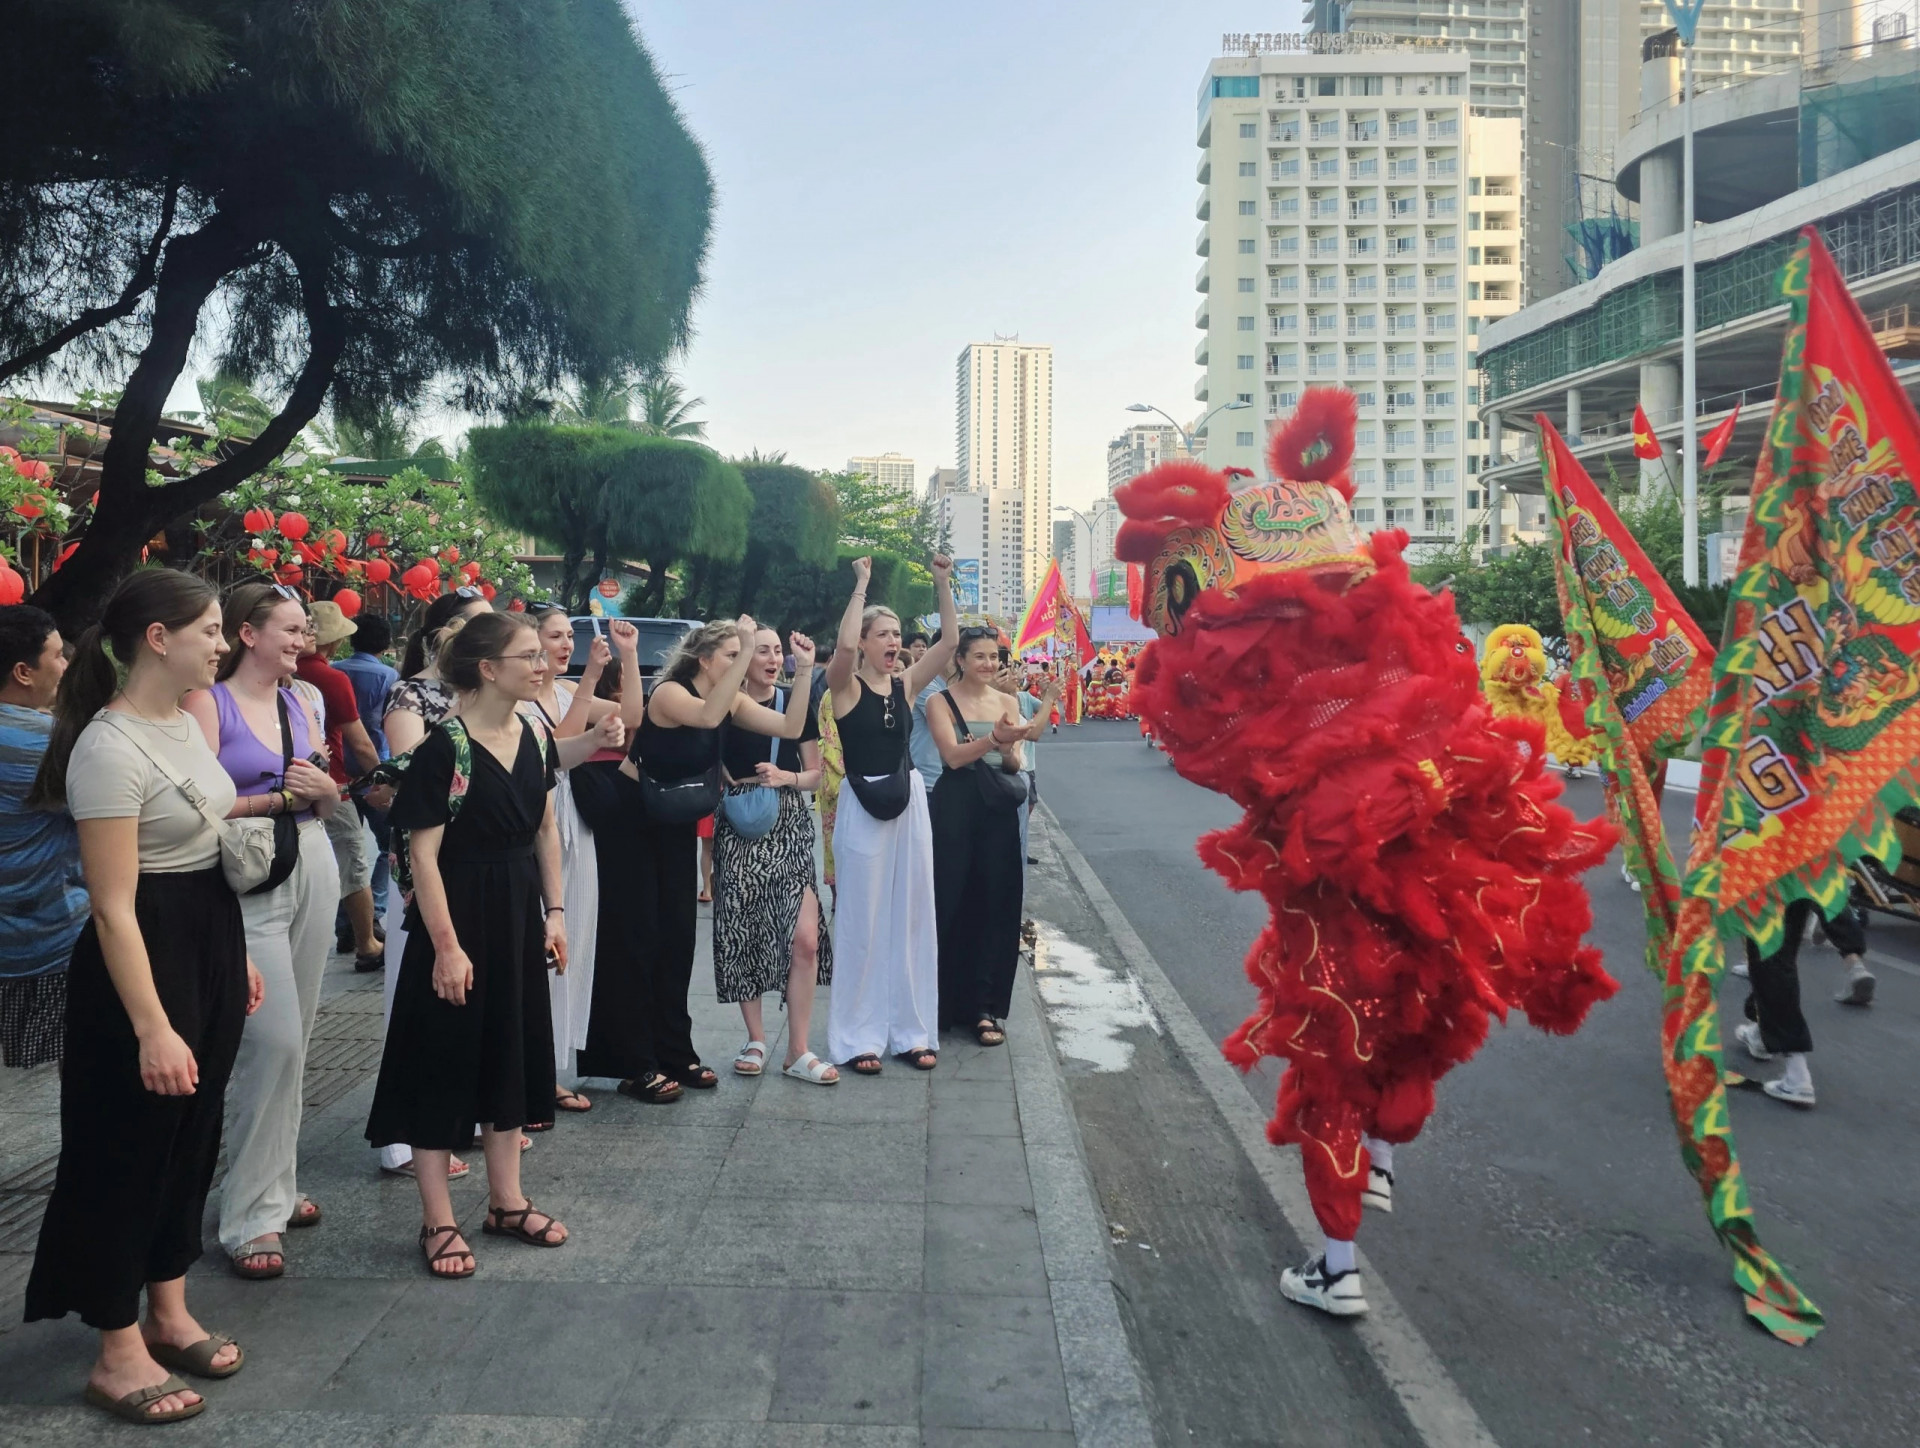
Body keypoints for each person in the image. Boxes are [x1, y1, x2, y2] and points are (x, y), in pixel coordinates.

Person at [24, 570, 263, 1423]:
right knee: (126, 1144)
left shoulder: (181, 725)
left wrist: (228, 961)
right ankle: (115, 1347)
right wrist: (154, 1025)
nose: (222, 641)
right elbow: (114, 905)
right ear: (157, 638)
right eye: (206, 629)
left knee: (192, 1136)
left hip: (205, 932)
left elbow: (203, 847)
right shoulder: (107, 745)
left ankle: (167, 1305)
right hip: (141, 955)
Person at [365, 611, 571, 1277]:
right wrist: (447, 948)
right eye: (529, 656)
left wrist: (557, 912)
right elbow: (422, 858)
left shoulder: (536, 733)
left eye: (542, 654)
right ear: (488, 669)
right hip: (456, 914)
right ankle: (438, 1220)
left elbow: (545, 829)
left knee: (508, 1050)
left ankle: (506, 1202)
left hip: (515, 911)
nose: (541, 665)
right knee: (441, 1063)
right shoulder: (441, 748)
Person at [578, 617, 815, 1101]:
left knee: (678, 938)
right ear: (704, 659)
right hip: (634, 819)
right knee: (637, 937)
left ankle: (674, 1051)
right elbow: (707, 716)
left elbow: (791, 727)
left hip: (674, 821)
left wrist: (806, 670)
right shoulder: (670, 692)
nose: (744, 661)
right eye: (734, 655)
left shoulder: (729, 698)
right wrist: (748, 645)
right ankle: (633, 1062)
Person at [183, 584, 343, 1281]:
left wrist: (324, 796)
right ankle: (248, 1215)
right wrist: (283, 796)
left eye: (305, 629)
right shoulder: (207, 702)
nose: (301, 640)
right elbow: (198, 804)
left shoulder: (304, 698)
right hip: (245, 871)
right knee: (268, 1041)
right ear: (247, 633)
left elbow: (329, 789)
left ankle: (274, 1185)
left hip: (311, 855)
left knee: (298, 1037)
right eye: (288, 628)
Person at [373, 589, 494, 1179]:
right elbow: (411, 771)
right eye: (477, 628)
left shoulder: (488, 695)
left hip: (478, 858)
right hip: (424, 857)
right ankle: (406, 1133)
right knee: (416, 984)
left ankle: (461, 1115)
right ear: (447, 634)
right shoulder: (410, 694)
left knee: (466, 991)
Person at [823, 555, 957, 1075]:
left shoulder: (906, 687)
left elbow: (947, 643)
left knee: (912, 916)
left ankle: (910, 1031)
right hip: (862, 804)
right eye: (883, 634)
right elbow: (843, 649)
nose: (893, 642)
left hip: (909, 803)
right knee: (863, 919)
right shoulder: (845, 686)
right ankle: (858, 1037)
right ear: (867, 641)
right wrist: (860, 585)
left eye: (897, 634)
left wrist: (941, 582)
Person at [715, 627, 836, 1085]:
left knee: (804, 937)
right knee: (745, 929)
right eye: (760, 649)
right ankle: (756, 1037)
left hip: (786, 825)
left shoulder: (793, 702)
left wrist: (787, 776)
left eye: (776, 650)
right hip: (738, 825)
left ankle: (799, 1050)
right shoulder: (724, 704)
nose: (771, 657)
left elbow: (817, 775)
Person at [522, 607, 625, 1118]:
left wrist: (625, 657)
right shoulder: (521, 698)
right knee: (535, 950)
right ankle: (529, 1075)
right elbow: (554, 749)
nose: (565, 645)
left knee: (573, 944)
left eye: (569, 636)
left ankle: (553, 1070)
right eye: (554, 636)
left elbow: (634, 715)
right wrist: (587, 677)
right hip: (538, 818)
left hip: (573, 822)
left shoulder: (565, 689)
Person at [927, 626, 1029, 1047]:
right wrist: (992, 738)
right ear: (961, 660)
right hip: (954, 807)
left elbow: (1013, 763)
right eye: (980, 656)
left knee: (995, 903)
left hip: (997, 810)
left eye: (995, 656)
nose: (989, 664)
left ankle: (985, 1006)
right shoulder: (940, 701)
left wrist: (1006, 748)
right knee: (949, 899)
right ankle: (939, 1001)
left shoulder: (1009, 700)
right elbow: (951, 757)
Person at [0, 605, 88, 1068]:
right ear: (23, 671)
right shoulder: (52, 743)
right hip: (48, 941)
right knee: (75, 1072)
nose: (65, 665)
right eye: (57, 655)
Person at [297, 602, 382, 970]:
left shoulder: (281, 672)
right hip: (331, 782)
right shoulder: (330, 679)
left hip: (290, 784)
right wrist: (384, 776)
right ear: (335, 641)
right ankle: (366, 943)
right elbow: (360, 742)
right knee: (352, 859)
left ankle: (345, 929)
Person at [1732, 896, 1872, 1108]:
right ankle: (1763, 1029)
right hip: (1803, 865)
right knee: (1783, 943)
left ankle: (1796, 1074)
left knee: (1771, 955)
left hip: (1768, 869)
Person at [333, 612, 399, 926]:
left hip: (338, 774)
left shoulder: (335, 672)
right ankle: (375, 911)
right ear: (385, 644)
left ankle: (347, 921)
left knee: (347, 850)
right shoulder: (389, 677)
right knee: (389, 845)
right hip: (375, 772)